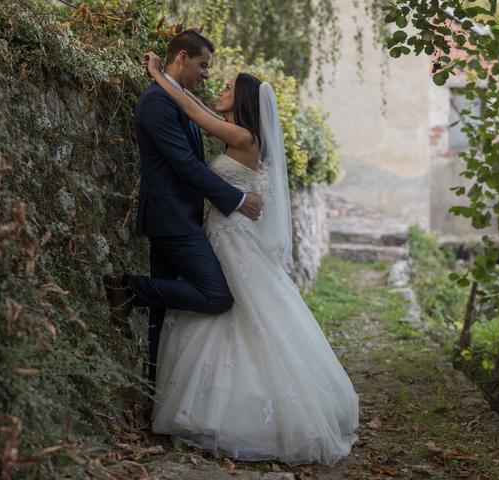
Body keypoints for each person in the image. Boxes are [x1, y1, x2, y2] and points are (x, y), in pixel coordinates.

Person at [141, 51, 359, 466]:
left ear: (242, 99)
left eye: (227, 87)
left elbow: (191, 109)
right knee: (232, 310)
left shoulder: (243, 138)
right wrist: (175, 81)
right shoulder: (240, 134)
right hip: (226, 231)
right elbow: (197, 105)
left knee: (235, 308)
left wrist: (157, 74)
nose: (220, 89)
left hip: (232, 237)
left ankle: (230, 412)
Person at [105, 30, 264, 391]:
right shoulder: (157, 103)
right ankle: (128, 288)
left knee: (165, 313)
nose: (207, 74)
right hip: (170, 217)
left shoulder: (176, 99)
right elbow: (185, 164)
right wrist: (238, 200)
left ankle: (153, 392)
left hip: (181, 215)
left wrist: (160, 74)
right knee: (217, 295)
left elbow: (194, 116)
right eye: (203, 65)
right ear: (181, 57)